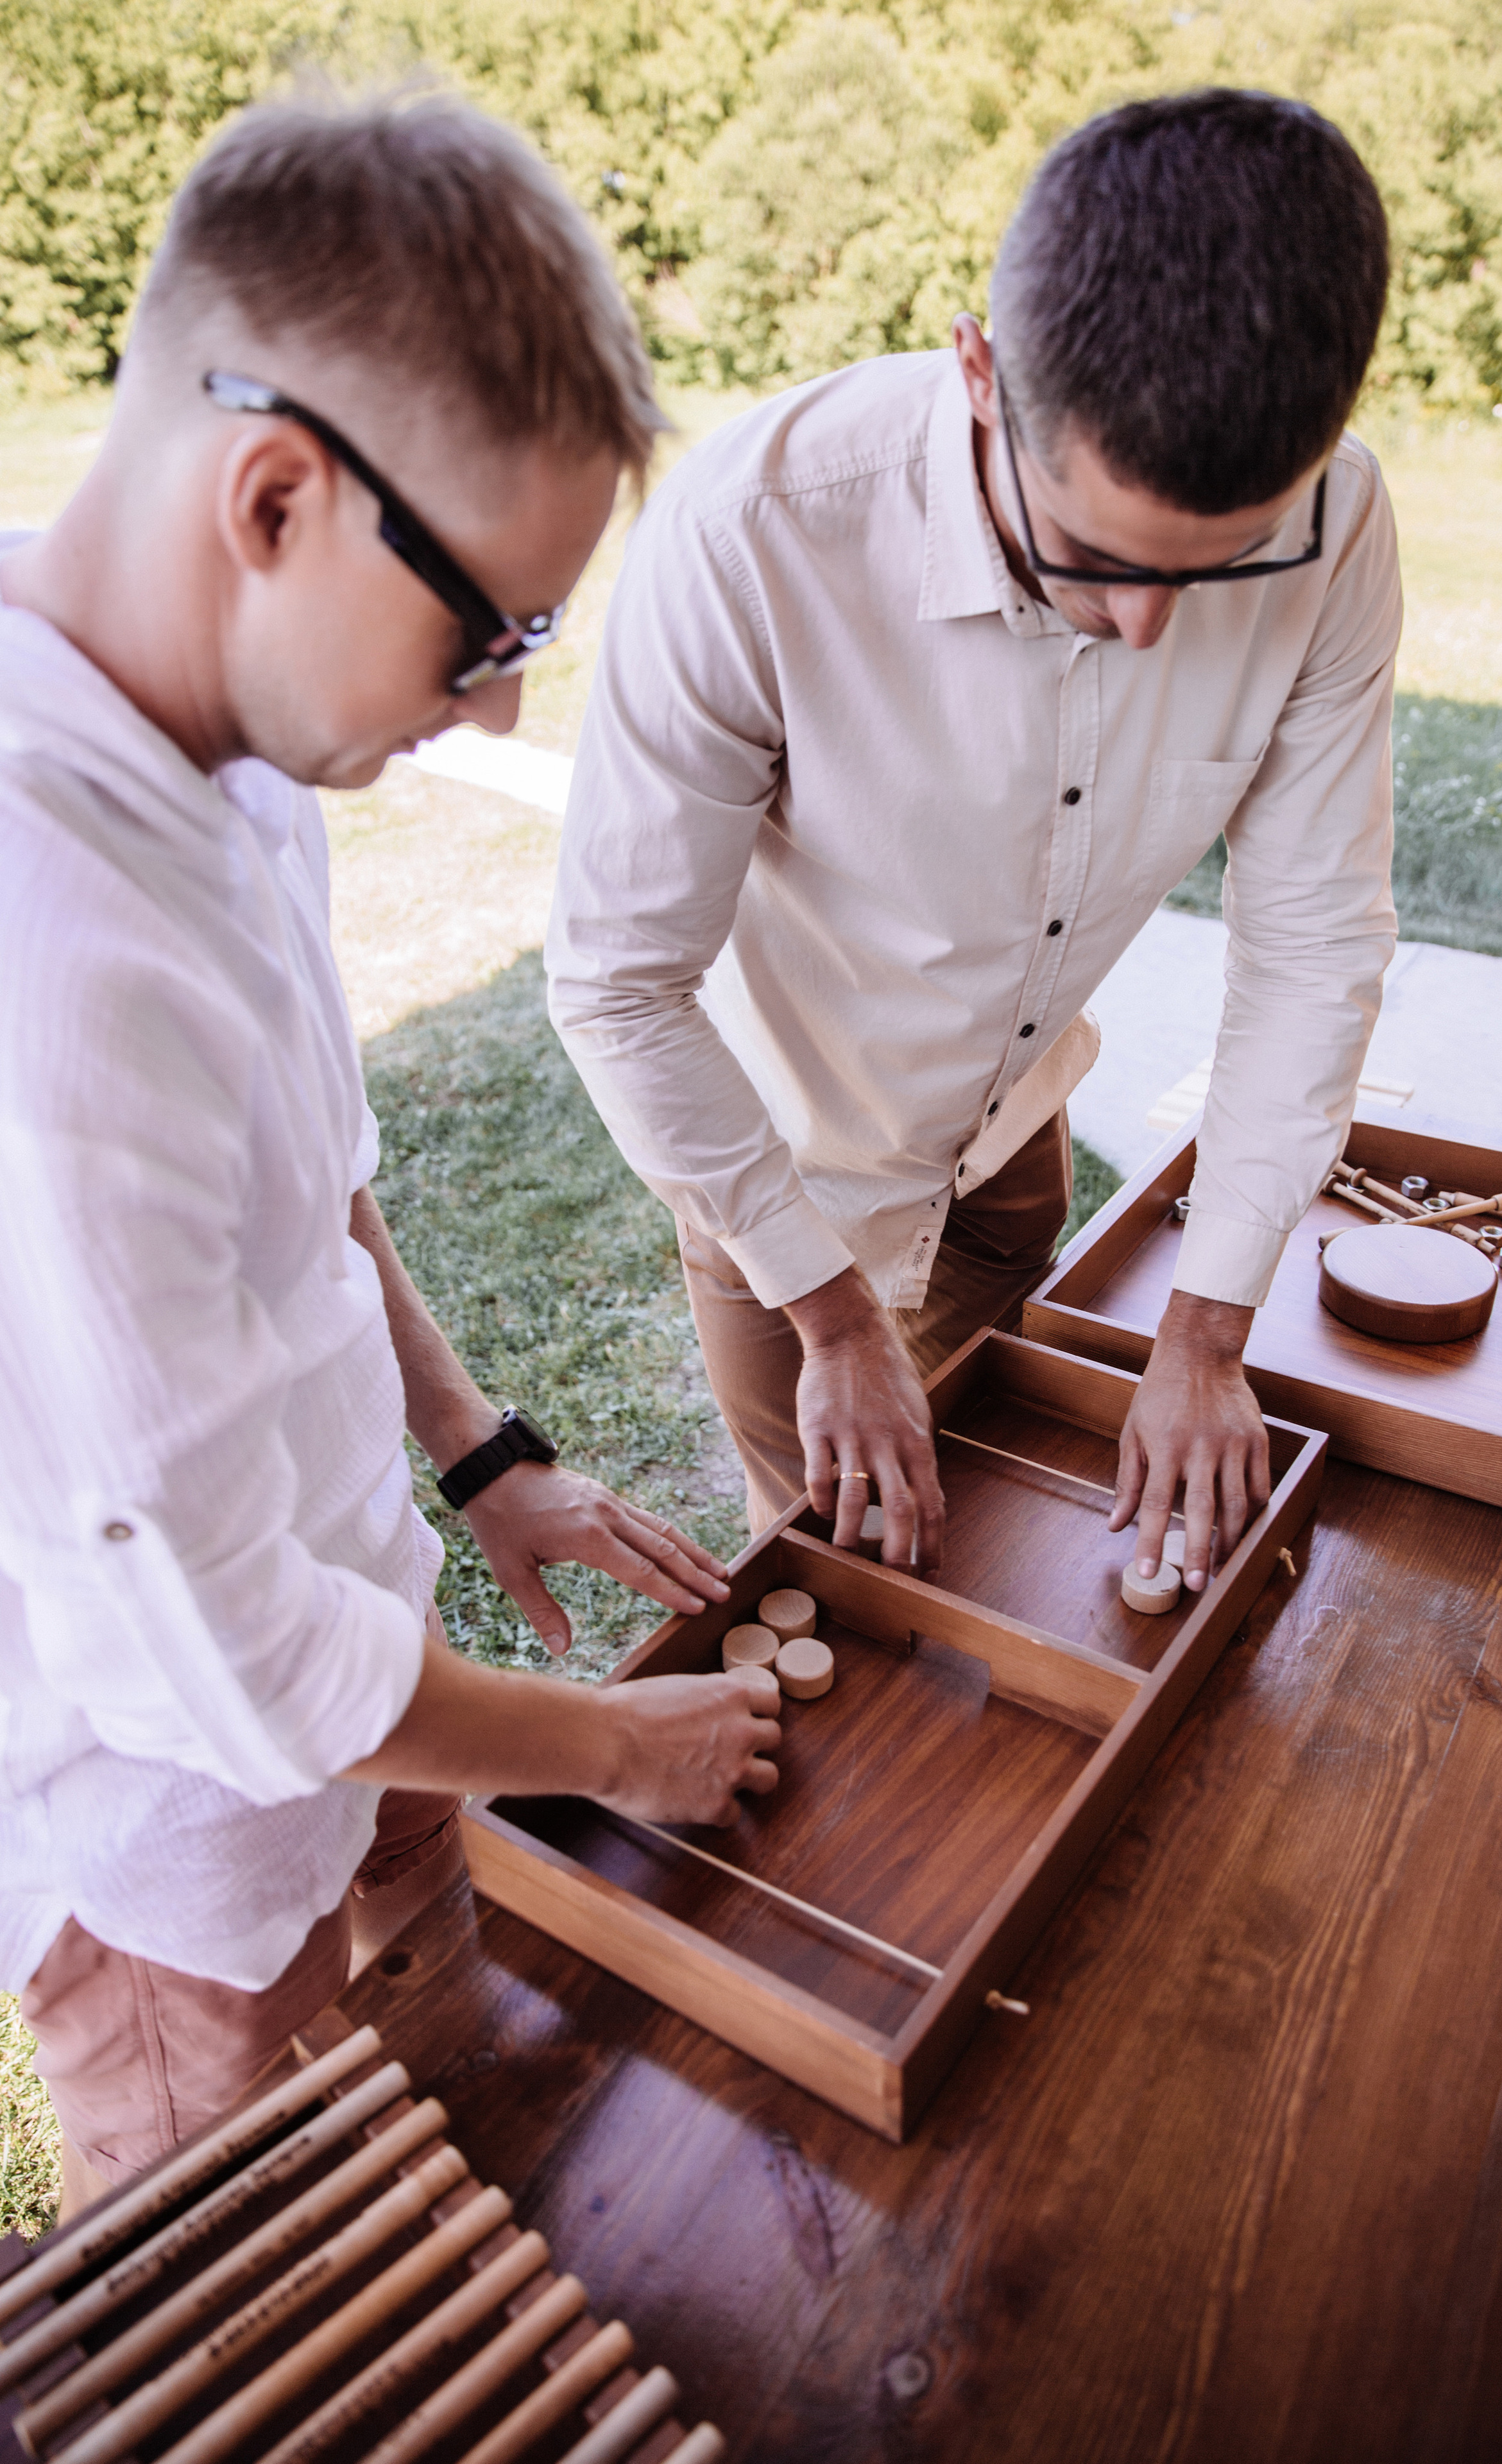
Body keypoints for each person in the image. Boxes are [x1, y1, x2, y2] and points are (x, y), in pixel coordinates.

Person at [0, 91, 781, 2216]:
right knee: (259, 2318)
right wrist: (619, 1746)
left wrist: (476, 1445)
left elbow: (317, 1201)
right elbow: (233, 1670)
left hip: (387, 1701)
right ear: (274, 495)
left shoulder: (227, 739)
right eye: (491, 633)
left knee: (454, 2140)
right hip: (185, 1880)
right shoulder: (51, 961)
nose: (506, 710)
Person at [547, 88, 1399, 1590]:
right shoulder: (750, 533)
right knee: (839, 1576)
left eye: (1215, 576)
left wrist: (1205, 1329)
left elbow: (1311, 941)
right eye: (1096, 559)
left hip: (1013, 1138)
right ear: (979, 372)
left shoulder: (1336, 522)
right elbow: (616, 986)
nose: (1146, 631)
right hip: (788, 1181)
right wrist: (826, 1317)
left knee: (1006, 1541)